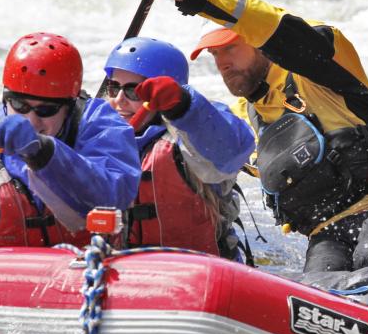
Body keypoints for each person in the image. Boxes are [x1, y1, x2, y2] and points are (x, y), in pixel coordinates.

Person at [140, 0, 368, 273]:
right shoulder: (241, 118)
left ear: (258, 42)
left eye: (230, 47)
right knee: (317, 293)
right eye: (214, 54)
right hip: (327, 236)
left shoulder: (322, 65)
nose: (222, 63)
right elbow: (195, 136)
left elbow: (274, 26)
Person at [0, 32, 140, 271]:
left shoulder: (100, 126)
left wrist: (44, 153)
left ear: (70, 105)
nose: (31, 121)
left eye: (46, 110)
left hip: (89, 274)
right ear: (5, 100)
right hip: (1, 282)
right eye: (20, 105)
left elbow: (113, 197)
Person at [103, 36, 255, 258]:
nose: (119, 100)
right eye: (113, 86)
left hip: (197, 273)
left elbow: (232, 150)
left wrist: (182, 105)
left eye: (133, 91)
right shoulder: (96, 134)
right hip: (121, 271)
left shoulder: (190, 140)